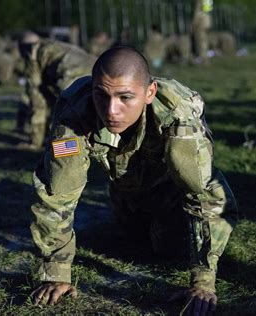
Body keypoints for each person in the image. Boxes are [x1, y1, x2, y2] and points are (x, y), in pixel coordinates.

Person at [28, 46, 237, 314]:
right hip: (125, 187)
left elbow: (205, 195)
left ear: (149, 93)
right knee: (130, 238)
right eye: (101, 95)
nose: (111, 110)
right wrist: (56, 272)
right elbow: (57, 191)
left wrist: (204, 282)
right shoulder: (75, 109)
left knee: (167, 248)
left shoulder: (178, 116)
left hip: (169, 190)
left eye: (125, 97)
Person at [15, 32, 96, 148]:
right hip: (95, 70)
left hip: (71, 75)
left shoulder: (32, 51)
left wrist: (35, 141)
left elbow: (37, 99)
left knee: (69, 118)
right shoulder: (56, 46)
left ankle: (65, 149)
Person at [192, 0, 213, 64]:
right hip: (205, 21)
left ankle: (203, 59)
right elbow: (208, 10)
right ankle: (204, 58)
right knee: (203, 42)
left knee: (202, 42)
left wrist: (194, 24)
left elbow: (200, 11)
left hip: (202, 22)